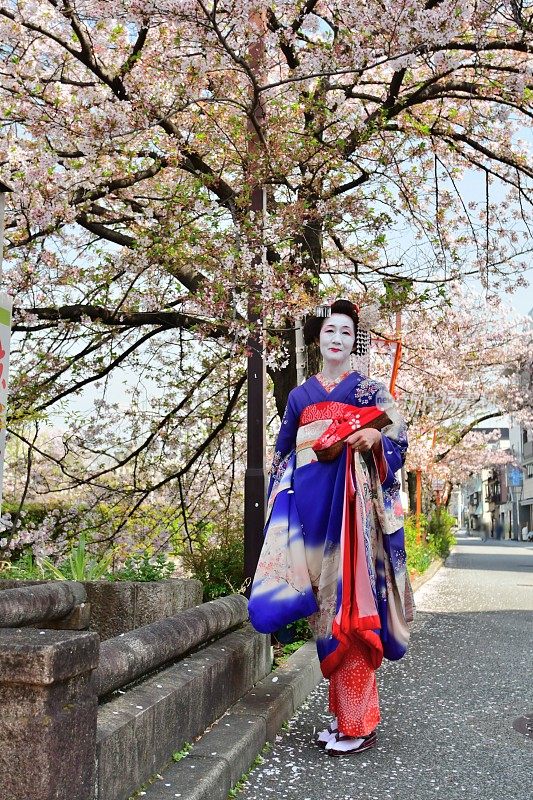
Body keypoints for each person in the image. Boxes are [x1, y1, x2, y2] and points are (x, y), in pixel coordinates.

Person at [249, 299, 414, 757]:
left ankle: (359, 724)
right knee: (325, 613)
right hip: (312, 511)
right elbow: (284, 455)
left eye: (344, 331)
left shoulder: (371, 391)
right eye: (328, 331)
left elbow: (399, 441)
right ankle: (345, 719)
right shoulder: (300, 396)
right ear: (318, 339)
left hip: (353, 514)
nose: (336, 338)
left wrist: (376, 438)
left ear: (353, 339)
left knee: (350, 608)